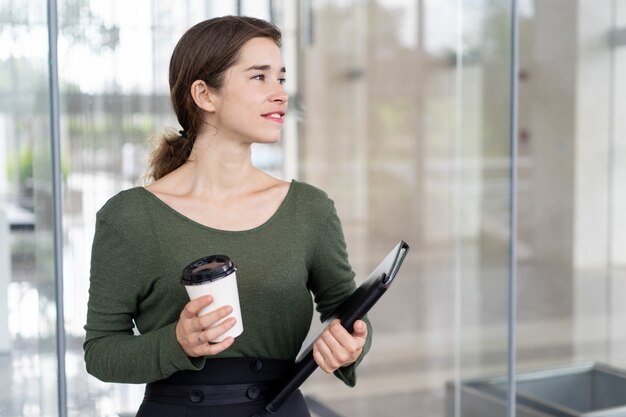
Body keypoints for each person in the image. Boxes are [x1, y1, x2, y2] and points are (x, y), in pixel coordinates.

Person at [83, 15, 371, 417]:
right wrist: (177, 342)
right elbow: (101, 352)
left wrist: (352, 345)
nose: (280, 94)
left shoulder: (310, 209)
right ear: (205, 95)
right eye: (259, 77)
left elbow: (347, 311)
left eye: (281, 79)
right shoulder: (129, 216)